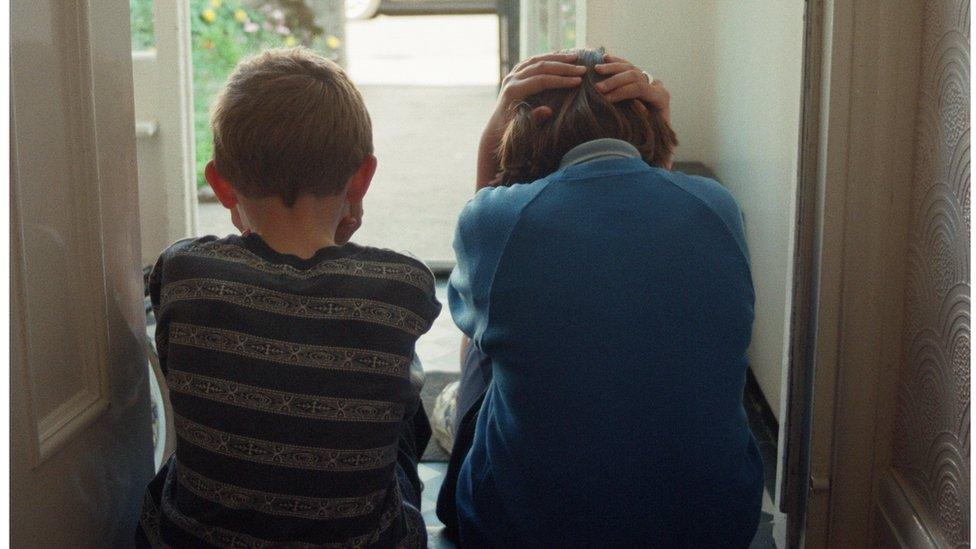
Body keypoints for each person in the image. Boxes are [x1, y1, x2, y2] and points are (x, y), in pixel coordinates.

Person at [436, 48, 764, 547]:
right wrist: (659, 135)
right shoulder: (718, 207)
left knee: (485, 337)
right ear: (645, 121)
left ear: (526, 126)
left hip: (525, 534)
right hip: (714, 528)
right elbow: (653, 217)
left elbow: (477, 284)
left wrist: (490, 146)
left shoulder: (497, 223)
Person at [135, 47, 441, 548]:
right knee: (402, 410)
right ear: (361, 177)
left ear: (221, 185)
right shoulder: (402, 285)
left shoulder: (183, 269)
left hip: (190, 540)